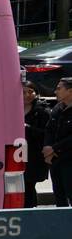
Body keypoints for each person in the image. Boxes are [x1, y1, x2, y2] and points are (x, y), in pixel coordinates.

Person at [43, 77, 72, 207]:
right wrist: (47, 149)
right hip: (55, 159)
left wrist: (54, 148)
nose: (55, 91)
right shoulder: (57, 108)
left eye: (59, 88)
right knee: (59, 195)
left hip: (69, 159)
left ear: (70, 91)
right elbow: (49, 129)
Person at [23, 81, 50, 207]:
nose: (27, 95)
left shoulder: (42, 110)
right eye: (24, 92)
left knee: (29, 184)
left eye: (30, 92)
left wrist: (27, 127)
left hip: (34, 154)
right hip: (18, 153)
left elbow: (46, 133)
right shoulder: (12, 107)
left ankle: (31, 210)